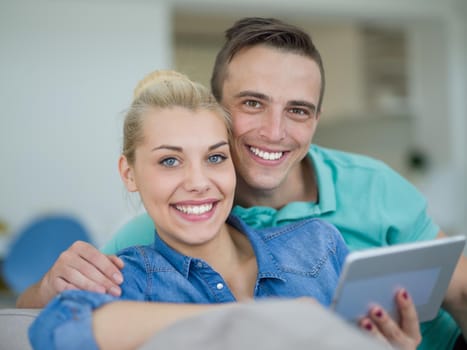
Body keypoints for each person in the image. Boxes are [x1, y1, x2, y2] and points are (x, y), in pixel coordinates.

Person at [18, 17, 467, 349]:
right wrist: (261, 324)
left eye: (297, 110)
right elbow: (51, 324)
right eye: (254, 103)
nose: (275, 131)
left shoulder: (322, 239)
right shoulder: (136, 262)